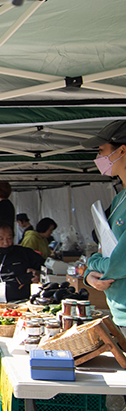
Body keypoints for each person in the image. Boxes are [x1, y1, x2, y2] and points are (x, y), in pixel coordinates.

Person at [82, 120, 126, 334]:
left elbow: (120, 262)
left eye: (101, 151)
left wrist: (92, 263)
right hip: (119, 309)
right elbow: (105, 249)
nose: (98, 158)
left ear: (122, 150)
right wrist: (89, 275)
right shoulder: (119, 199)